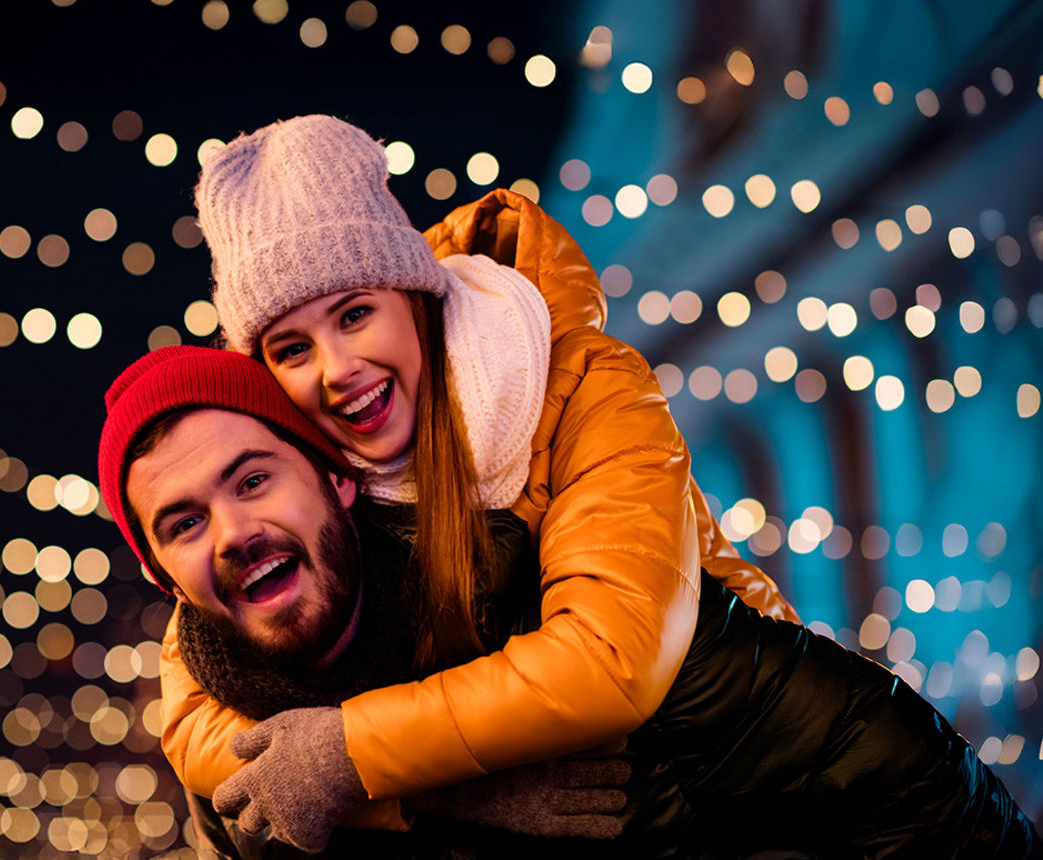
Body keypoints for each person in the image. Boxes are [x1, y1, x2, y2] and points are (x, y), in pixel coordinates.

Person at [97, 345, 1041, 857]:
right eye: (183, 523)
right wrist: (432, 796)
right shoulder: (228, 782)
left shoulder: (550, 598)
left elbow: (887, 772)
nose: (232, 532)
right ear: (163, 578)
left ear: (337, 478)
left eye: (253, 479)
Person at [158, 113, 802, 847]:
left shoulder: (583, 384)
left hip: (751, 766)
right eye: (292, 349)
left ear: (415, 299)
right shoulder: (310, 474)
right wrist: (432, 794)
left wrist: (355, 753)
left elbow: (612, 657)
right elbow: (194, 715)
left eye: (356, 314)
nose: (338, 370)